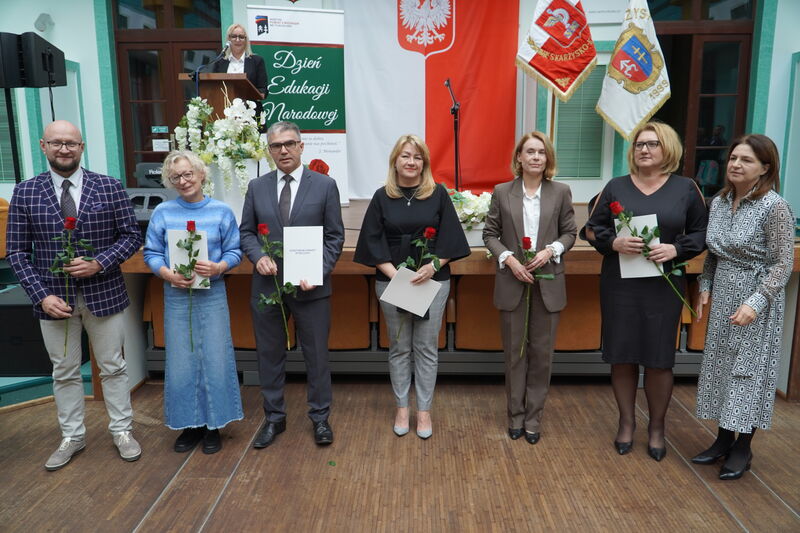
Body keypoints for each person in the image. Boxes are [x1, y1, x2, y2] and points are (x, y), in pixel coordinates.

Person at [6, 120, 143, 470]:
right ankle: (72, 436)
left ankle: (123, 431)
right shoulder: (25, 192)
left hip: (104, 294)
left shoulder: (110, 187)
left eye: (70, 143)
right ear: (43, 145)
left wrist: (100, 262)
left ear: (82, 147)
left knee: (113, 366)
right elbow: (18, 253)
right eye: (56, 143)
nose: (63, 149)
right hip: (54, 301)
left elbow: (130, 237)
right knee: (63, 371)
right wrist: (40, 296)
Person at [584, 121, 708, 461]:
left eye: (652, 143)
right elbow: (591, 230)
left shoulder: (686, 188)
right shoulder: (615, 187)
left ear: (667, 148)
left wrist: (675, 249)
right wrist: (615, 241)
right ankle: (626, 423)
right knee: (622, 354)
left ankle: (656, 427)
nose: (644, 149)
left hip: (662, 285)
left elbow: (701, 232)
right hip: (620, 284)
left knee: (658, 359)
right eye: (639, 144)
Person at [354, 134, 470, 439]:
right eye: (405, 156)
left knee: (427, 349)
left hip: (432, 281)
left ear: (425, 163)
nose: (411, 162)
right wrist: (396, 276)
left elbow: (451, 238)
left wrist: (433, 266)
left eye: (417, 157)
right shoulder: (382, 196)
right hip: (391, 281)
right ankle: (402, 408)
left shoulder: (438, 194)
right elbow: (371, 240)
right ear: (395, 160)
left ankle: (424, 412)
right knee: (399, 348)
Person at [692, 134, 794, 480]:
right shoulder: (718, 202)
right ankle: (722, 440)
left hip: (756, 302)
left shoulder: (774, 206)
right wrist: (705, 287)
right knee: (721, 368)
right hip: (722, 297)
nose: (735, 164)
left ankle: (743, 447)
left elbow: (783, 263)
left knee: (747, 373)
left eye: (746, 160)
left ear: (765, 168)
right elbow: (713, 253)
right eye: (733, 158)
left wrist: (756, 301)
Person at [240, 121, 344, 448]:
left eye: (289, 144)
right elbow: (246, 233)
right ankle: (274, 418)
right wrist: (257, 257)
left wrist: (317, 271)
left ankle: (320, 418)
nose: (282, 150)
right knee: (269, 355)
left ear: (301, 146)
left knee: (316, 356)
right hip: (267, 286)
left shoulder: (325, 185)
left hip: (311, 288)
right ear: (269, 151)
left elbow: (334, 237)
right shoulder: (257, 187)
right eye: (275, 145)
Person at [143, 150, 243, 454]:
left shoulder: (222, 212)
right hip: (176, 294)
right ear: (170, 182)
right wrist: (166, 274)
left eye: (188, 174)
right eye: (176, 177)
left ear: (201, 175)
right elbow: (151, 252)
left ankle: (214, 425)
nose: (183, 180)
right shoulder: (163, 213)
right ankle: (191, 424)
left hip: (212, 293)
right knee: (182, 361)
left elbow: (235, 252)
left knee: (215, 357)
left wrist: (219, 267)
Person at [483, 131, 577, 445]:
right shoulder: (502, 191)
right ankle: (515, 416)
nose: (536, 157)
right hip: (513, 281)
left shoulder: (561, 191)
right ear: (519, 158)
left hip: (548, 282)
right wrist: (509, 259)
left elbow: (570, 233)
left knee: (542, 356)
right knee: (514, 354)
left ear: (547, 159)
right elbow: (490, 234)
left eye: (541, 152)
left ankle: (534, 418)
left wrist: (551, 250)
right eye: (530, 152)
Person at [211, 23, 268, 120]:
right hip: (225, 114)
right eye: (234, 36)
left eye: (241, 37)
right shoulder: (220, 62)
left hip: (250, 115)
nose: (237, 40)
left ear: (246, 40)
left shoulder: (257, 61)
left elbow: (263, 90)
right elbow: (214, 88)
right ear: (229, 39)